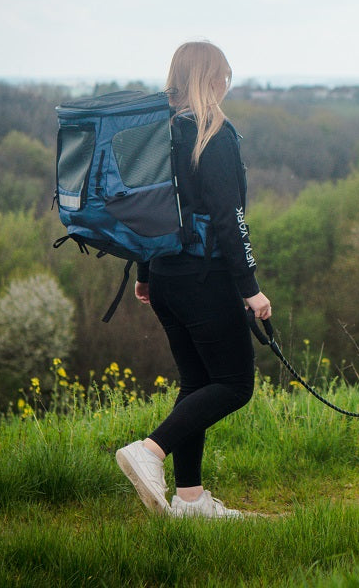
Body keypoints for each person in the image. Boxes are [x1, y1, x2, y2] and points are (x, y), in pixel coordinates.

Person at [116, 41, 271, 519]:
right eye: (223, 77)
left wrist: (146, 273)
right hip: (205, 279)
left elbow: (148, 211)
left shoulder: (157, 134)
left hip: (164, 277)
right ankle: (150, 451)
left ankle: (190, 500)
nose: (227, 85)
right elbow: (230, 219)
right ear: (212, 79)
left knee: (197, 383)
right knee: (234, 384)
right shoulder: (212, 133)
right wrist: (250, 288)